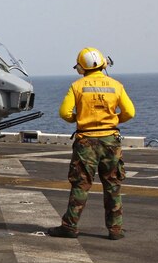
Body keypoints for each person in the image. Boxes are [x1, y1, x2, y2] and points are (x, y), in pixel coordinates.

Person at [49, 47, 136, 240]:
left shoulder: (77, 86)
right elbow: (129, 112)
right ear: (104, 64)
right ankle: (115, 229)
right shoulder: (116, 85)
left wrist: (78, 119)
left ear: (81, 67)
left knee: (81, 184)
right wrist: (112, 120)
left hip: (86, 141)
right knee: (113, 184)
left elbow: (65, 113)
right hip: (110, 141)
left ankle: (70, 226)